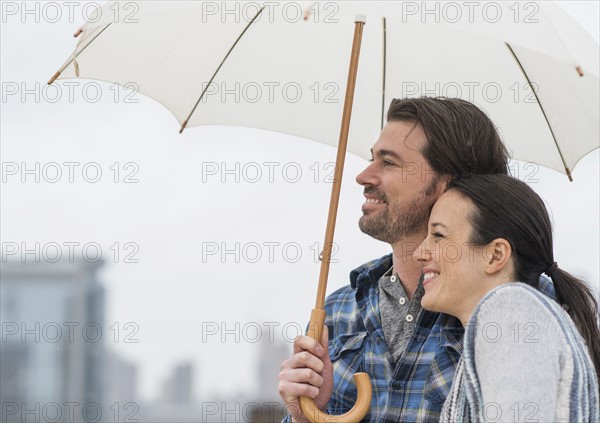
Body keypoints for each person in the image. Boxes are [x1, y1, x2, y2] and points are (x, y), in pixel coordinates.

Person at [278, 97, 555, 422]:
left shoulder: (523, 303)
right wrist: (306, 415)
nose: (364, 176)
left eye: (389, 162)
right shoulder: (339, 309)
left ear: (447, 184)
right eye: (372, 159)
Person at [413, 174, 599, 422]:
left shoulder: (510, 315)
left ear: (495, 255)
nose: (418, 253)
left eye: (438, 235)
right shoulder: (506, 324)